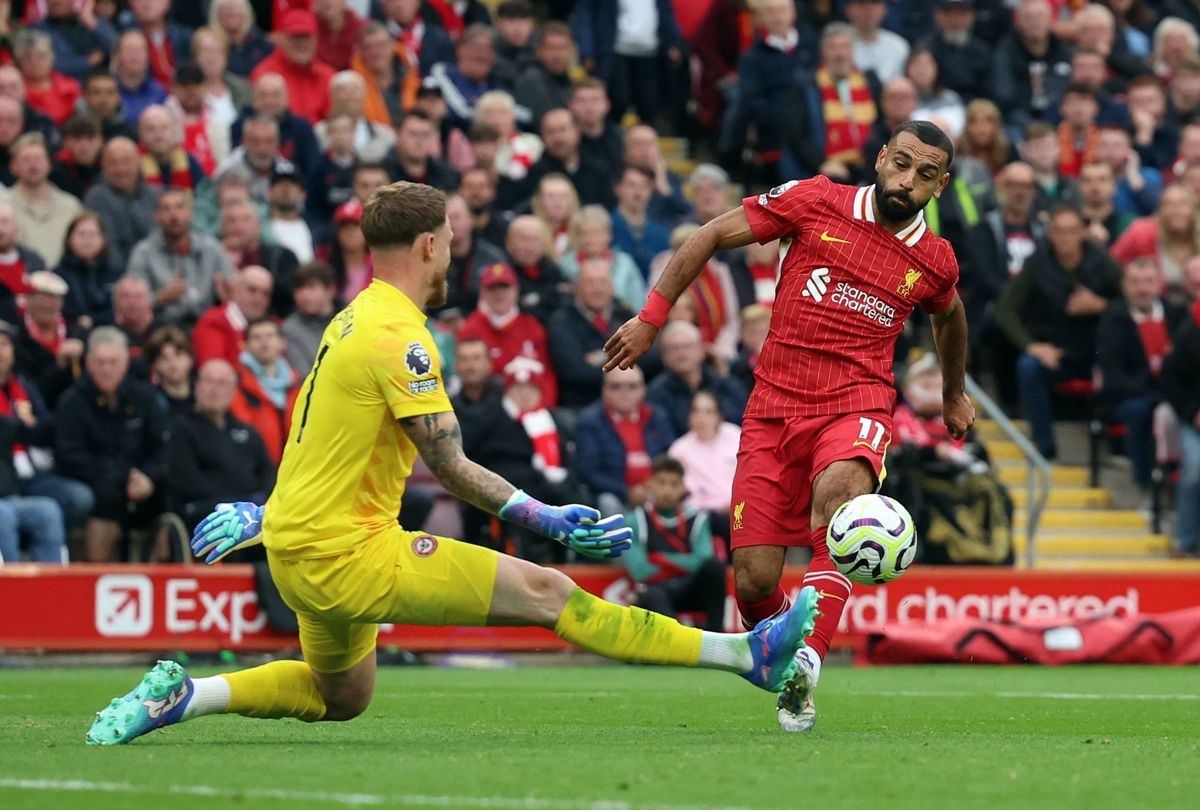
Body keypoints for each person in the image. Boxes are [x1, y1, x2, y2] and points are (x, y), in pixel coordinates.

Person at [86, 181, 820, 746]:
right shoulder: (400, 340)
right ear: (430, 245)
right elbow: (453, 464)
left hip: (300, 551)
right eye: (452, 241)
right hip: (349, 556)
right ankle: (743, 654)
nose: (457, 256)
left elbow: (321, 447)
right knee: (548, 591)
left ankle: (187, 697)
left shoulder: (349, 319)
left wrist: (262, 517)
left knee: (342, 696)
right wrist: (546, 516)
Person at [605, 121, 973, 732]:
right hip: (772, 408)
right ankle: (780, 646)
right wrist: (651, 317)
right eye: (902, 163)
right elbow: (711, 234)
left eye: (925, 174)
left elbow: (950, 314)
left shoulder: (932, 259)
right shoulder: (816, 200)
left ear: (941, 185)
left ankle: (807, 659)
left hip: (857, 401)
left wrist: (954, 392)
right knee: (752, 583)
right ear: (881, 157)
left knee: (839, 500)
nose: (907, 180)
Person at [55, 326, 169, 562]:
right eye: (100, 362)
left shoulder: (144, 398)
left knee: (170, 489)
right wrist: (121, 477)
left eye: (113, 362)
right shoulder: (71, 401)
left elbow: (163, 446)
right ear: (88, 363)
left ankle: (170, 572)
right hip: (98, 480)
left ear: (126, 362)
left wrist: (148, 476)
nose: (107, 369)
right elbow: (69, 455)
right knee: (105, 495)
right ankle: (96, 574)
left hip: (140, 480)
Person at [1096, 257, 1188, 491]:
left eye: (1148, 281)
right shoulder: (1112, 319)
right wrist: (1154, 394)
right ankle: (1144, 483)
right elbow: (1112, 373)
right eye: (1135, 282)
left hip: (1174, 393)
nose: (1142, 288)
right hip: (1132, 395)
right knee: (1139, 411)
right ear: (1125, 287)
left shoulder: (1178, 316)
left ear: (1159, 284)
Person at [167, 358, 275, 532]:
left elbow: (267, 471)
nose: (214, 389)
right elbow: (186, 479)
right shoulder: (181, 428)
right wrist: (235, 502)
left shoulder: (246, 431)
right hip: (206, 515)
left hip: (249, 514)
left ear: (233, 390)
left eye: (222, 383)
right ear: (196, 386)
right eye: (208, 381)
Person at [621, 455, 726, 632]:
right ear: (650, 484)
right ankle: (680, 641)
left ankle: (717, 638)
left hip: (689, 589)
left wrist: (659, 559)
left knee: (714, 568)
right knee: (653, 594)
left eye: (674, 484)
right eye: (661, 483)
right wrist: (686, 562)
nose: (667, 490)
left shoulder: (697, 518)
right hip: (655, 592)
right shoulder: (635, 520)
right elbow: (639, 570)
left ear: (683, 488)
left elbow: (703, 560)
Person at [668, 390, 741, 542]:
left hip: (739, 507)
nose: (701, 418)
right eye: (696, 411)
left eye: (708, 412)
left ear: (719, 417)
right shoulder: (679, 450)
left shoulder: (735, 435)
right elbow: (680, 493)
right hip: (701, 514)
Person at [229, 317, 301, 466]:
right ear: (245, 346)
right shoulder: (236, 385)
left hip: (295, 468)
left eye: (269, 336)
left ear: (282, 343)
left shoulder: (297, 384)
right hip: (255, 469)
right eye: (256, 337)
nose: (264, 342)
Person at [192, 265, 274, 366]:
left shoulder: (272, 325)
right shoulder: (213, 322)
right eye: (252, 290)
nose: (259, 299)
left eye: (266, 294)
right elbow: (216, 374)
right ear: (235, 289)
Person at [281, 260, 338, 375]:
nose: (304, 295)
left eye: (311, 287)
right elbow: (305, 375)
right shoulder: (290, 329)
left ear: (330, 290)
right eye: (299, 289)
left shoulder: (354, 317)